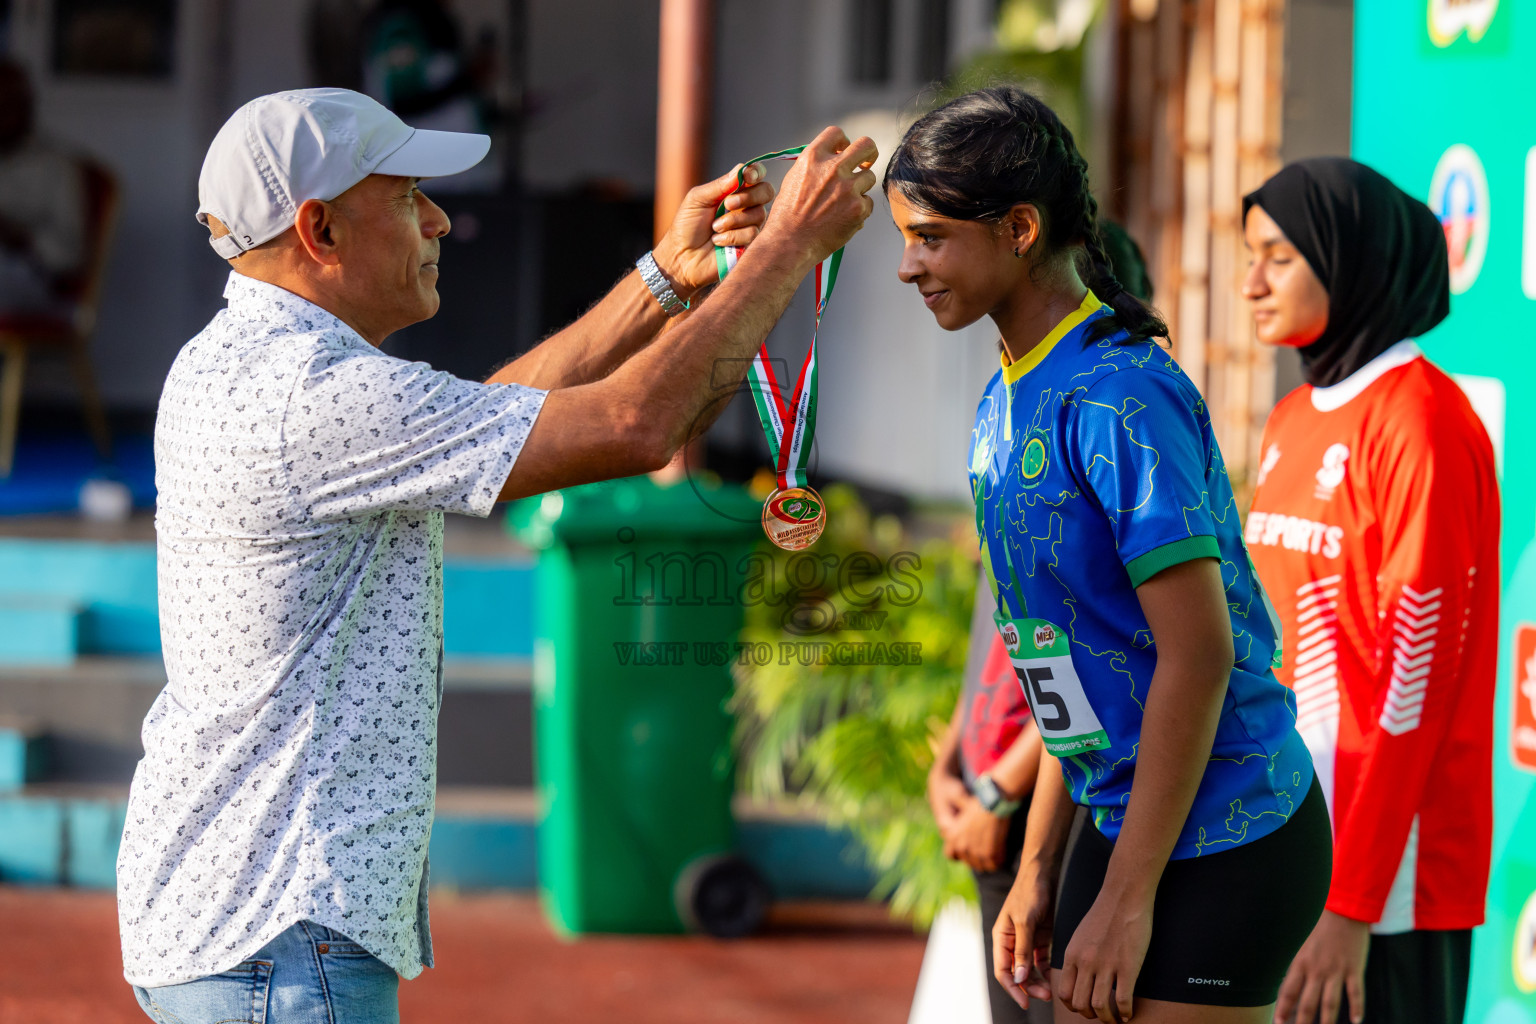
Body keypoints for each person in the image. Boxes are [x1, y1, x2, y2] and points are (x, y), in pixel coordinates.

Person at [117, 86, 877, 1023]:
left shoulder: (237, 360)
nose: (440, 219)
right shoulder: (310, 392)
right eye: (406, 197)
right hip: (283, 933)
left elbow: (496, 424)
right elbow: (636, 427)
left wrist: (670, 278)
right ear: (318, 229)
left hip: (225, 918)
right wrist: (787, 249)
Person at [885, 85, 1331, 1023]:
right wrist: (1040, 862)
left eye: (929, 236)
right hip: (1115, 825)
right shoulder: (1005, 401)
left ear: (1017, 228)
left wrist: (1126, 899)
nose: (906, 265)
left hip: (1230, 830)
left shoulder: (1122, 393)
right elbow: (1068, 668)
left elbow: (1199, 656)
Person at [1241, 158, 1498, 1024]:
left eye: (1277, 256)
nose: (1250, 283)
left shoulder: (1424, 423)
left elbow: (1412, 690)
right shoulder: (1292, 417)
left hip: (1388, 889)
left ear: (1342, 257)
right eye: (1248, 256)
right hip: (1288, 838)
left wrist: (1354, 902)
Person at [928, 592, 1046, 1024]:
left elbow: (1089, 671)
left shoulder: (1063, 523)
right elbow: (989, 649)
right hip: (986, 802)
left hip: (1044, 803)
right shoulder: (992, 525)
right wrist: (944, 767)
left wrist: (1000, 792)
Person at [0, 59, 87, 318]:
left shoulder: (55, 165)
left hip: (27, 280)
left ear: (27, 106)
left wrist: (17, 238)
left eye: (9, 105)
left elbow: (71, 254)